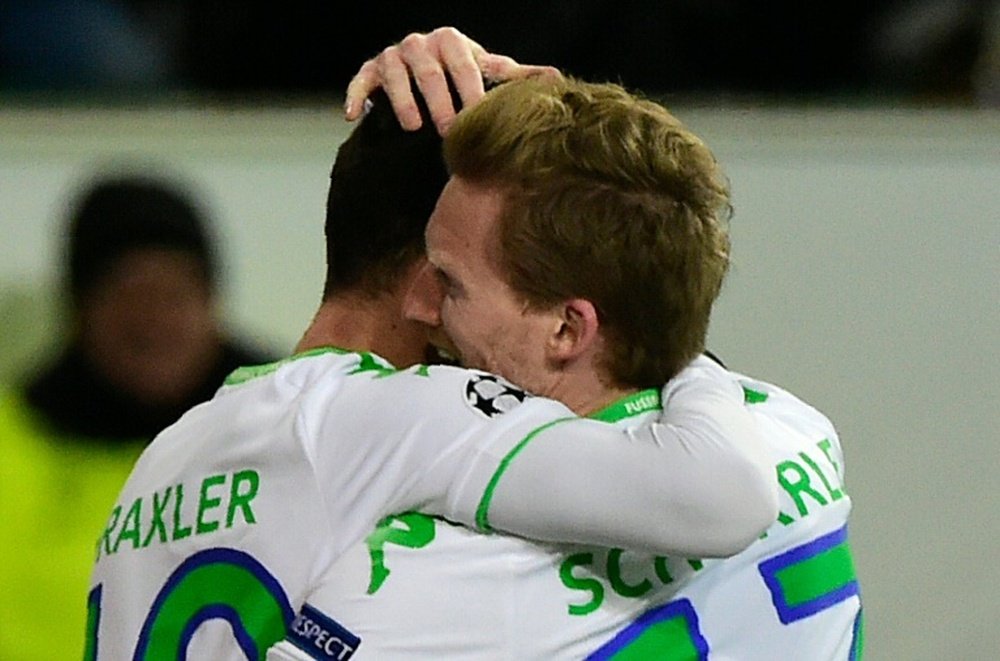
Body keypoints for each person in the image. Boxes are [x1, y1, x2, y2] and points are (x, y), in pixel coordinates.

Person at [86, 70, 778, 659]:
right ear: (429, 282)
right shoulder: (412, 415)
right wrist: (675, 345)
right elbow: (722, 494)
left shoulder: (168, 453)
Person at [267, 33, 863, 660]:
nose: (419, 308)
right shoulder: (798, 435)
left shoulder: (431, 577)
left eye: (450, 283)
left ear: (568, 330)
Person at [0, 173, 275, 660]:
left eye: (175, 292)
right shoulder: (13, 440)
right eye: (127, 291)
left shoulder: (289, 433)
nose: (152, 321)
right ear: (79, 309)